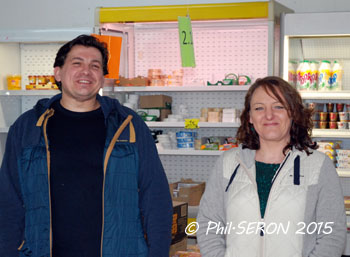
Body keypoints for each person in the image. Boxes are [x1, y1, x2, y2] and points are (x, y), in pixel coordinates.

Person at [0, 34, 173, 257]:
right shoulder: (28, 128)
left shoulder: (129, 126)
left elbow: (155, 197)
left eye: (95, 66)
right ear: (58, 73)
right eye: (77, 63)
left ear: (102, 77)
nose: (86, 72)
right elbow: (8, 201)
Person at [197, 76, 347, 257]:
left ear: (292, 113)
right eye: (259, 108)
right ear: (250, 117)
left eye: (278, 106)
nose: (269, 115)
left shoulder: (318, 166)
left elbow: (331, 236)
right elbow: (208, 224)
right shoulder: (228, 163)